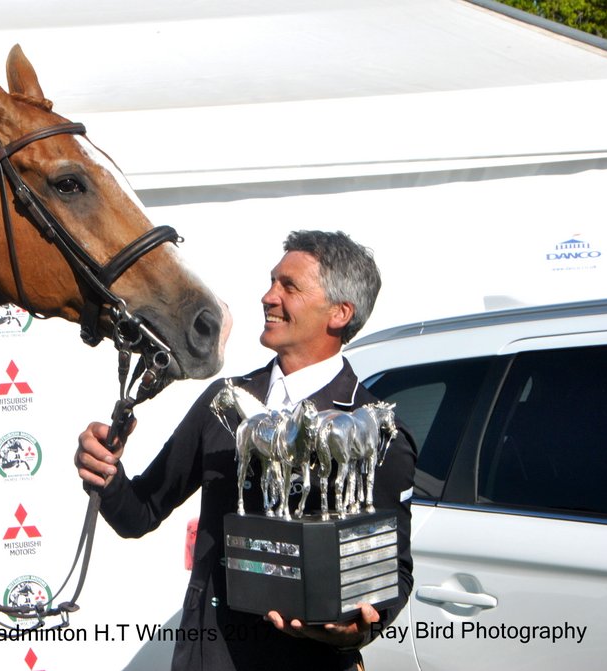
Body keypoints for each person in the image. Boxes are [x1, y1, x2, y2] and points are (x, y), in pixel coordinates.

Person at [76, 230, 416, 671]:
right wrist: (105, 472)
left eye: (289, 286)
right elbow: (139, 513)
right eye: (272, 281)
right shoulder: (224, 403)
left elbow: (394, 571)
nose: (268, 297)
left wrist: (358, 626)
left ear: (339, 313)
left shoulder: (375, 428)